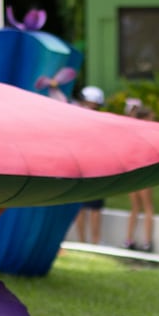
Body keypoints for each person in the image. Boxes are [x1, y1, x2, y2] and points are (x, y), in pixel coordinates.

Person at [72, 86, 109, 245]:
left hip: (97, 170)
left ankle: (94, 243)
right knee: (79, 208)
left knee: (94, 208)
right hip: (81, 169)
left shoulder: (101, 122)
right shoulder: (77, 120)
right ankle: (83, 242)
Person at [121, 97, 158, 251]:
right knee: (148, 207)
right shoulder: (146, 133)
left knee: (135, 207)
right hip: (143, 173)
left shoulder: (128, 131)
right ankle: (147, 242)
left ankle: (129, 239)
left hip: (132, 173)